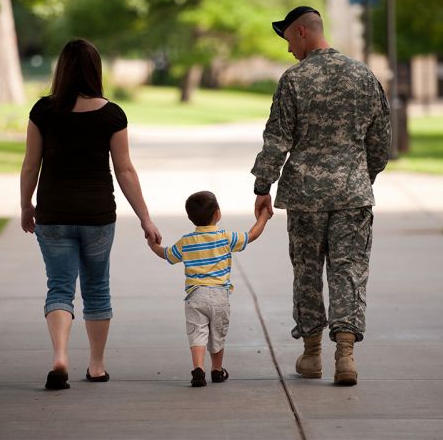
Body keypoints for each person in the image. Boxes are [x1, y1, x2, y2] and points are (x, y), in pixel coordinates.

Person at [251, 6, 391, 386]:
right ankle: (345, 357)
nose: (288, 50)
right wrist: (361, 177)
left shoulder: (294, 80)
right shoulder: (363, 75)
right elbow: (380, 142)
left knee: (308, 273)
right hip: (352, 195)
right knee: (349, 272)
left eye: (288, 40)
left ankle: (312, 355)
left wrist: (263, 186)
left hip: (304, 198)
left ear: (301, 32)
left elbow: (277, 139)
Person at [20, 38, 161, 390]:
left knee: (59, 287)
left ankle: (60, 357)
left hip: (53, 215)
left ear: (62, 69)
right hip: (97, 216)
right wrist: (146, 219)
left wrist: (26, 206)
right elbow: (125, 170)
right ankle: (96, 366)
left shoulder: (43, 111)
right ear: (95, 70)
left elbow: (30, 165)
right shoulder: (112, 114)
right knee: (97, 289)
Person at [147, 191, 271, 387]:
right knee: (217, 333)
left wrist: (153, 245)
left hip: (195, 296)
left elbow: (167, 255)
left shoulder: (186, 241)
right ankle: (217, 370)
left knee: (197, 332)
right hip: (219, 296)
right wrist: (264, 217)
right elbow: (252, 235)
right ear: (218, 214)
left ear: (190, 218)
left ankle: (198, 368)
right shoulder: (225, 237)